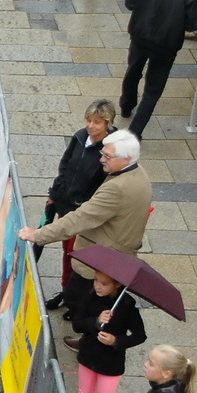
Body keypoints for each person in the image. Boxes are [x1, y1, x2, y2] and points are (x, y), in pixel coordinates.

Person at [21, 131, 152, 318]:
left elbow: (81, 218)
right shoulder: (138, 173)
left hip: (101, 258)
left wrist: (39, 235)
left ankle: (86, 336)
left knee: (80, 301)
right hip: (116, 254)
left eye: (107, 156)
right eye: (102, 153)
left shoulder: (117, 188)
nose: (102, 160)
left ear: (127, 159)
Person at [120, 0, 197, 138]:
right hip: (166, 45)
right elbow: (192, 24)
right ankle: (135, 131)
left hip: (140, 36)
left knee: (133, 71)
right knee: (153, 89)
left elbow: (130, 3)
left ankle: (126, 104)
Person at [40, 100, 114, 307]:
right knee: (68, 254)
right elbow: (65, 166)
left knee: (77, 258)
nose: (91, 126)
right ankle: (66, 293)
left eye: (97, 122)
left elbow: (101, 184)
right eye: (89, 120)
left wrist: (83, 205)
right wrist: (55, 193)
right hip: (65, 206)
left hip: (82, 213)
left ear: (108, 123)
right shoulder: (80, 137)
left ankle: (75, 299)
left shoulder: (108, 150)